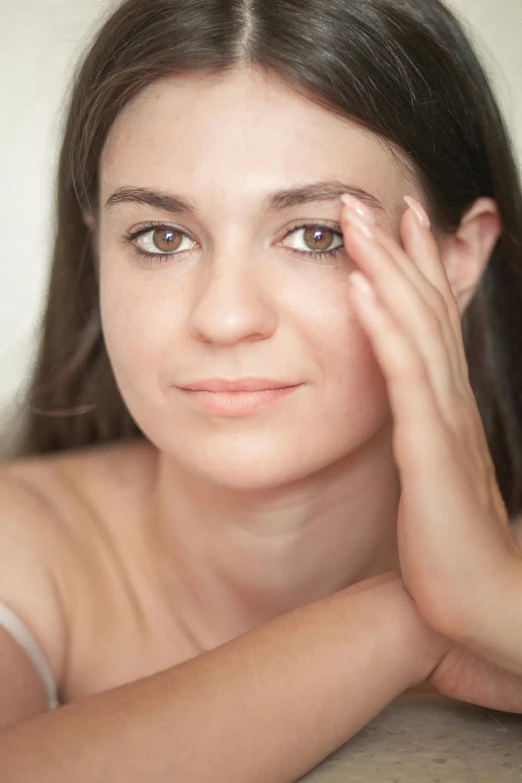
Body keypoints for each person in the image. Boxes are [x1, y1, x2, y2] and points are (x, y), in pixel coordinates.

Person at [1, 0, 522, 779]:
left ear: (454, 259)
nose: (225, 315)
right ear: (98, 250)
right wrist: (418, 612)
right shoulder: (22, 544)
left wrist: (497, 601)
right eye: (161, 237)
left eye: (316, 235)